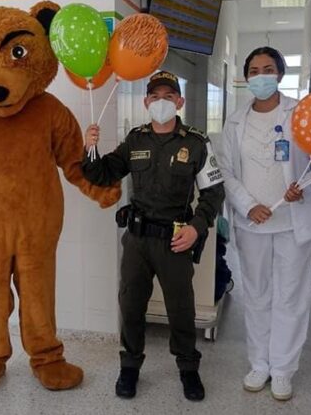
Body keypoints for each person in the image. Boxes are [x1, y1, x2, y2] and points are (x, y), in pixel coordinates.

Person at [82, 70, 225, 401]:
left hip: (176, 239)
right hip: (137, 240)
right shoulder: (136, 139)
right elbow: (102, 174)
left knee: (181, 310)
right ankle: (129, 367)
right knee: (131, 305)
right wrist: (89, 148)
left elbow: (214, 192)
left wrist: (196, 228)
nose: (162, 102)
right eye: (155, 96)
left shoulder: (196, 142)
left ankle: (189, 369)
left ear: (180, 101)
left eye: (168, 96)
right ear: (146, 102)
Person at [218, 47, 311, 401]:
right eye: (253, 70)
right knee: (258, 295)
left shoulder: (301, 114)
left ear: (280, 73)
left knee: (290, 297)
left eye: (267, 69)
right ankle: (259, 363)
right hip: (254, 224)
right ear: (246, 76)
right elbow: (227, 172)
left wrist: (306, 187)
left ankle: (282, 370)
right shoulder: (235, 121)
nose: (260, 76)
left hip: (293, 221)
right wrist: (249, 206)